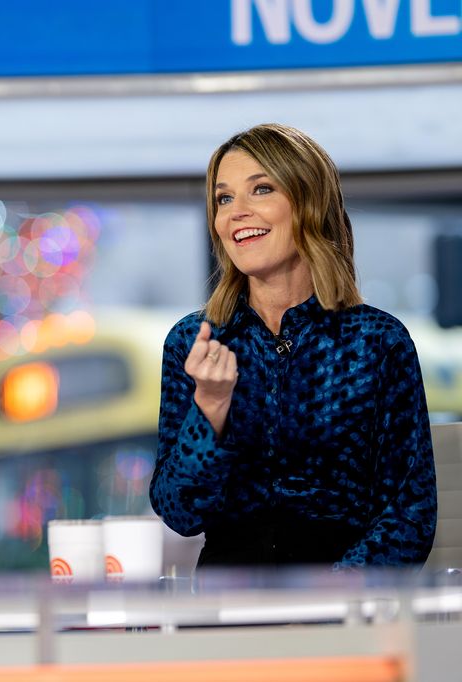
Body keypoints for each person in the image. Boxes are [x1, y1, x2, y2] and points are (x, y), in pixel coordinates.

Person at [150, 123, 436, 567]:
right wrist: (209, 407)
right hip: (227, 606)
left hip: (344, 607)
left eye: (260, 189)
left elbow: (409, 516)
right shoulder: (193, 341)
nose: (236, 213)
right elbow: (179, 511)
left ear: (309, 203)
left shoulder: (378, 342)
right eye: (224, 198)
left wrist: (328, 598)